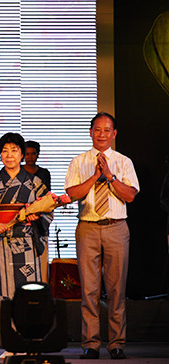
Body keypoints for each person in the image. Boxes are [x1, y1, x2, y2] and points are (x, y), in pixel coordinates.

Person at [65, 112, 139, 360]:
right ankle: (91, 344)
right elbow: (73, 194)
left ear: (114, 134)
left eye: (107, 130)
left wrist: (110, 176)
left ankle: (117, 343)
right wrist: (96, 176)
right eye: (97, 130)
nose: (102, 134)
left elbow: (129, 195)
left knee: (117, 289)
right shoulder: (79, 161)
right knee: (89, 290)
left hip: (116, 227)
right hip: (88, 226)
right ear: (90, 132)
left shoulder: (123, 161)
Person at [0, 132, 52, 357]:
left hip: (26, 243)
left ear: (22, 154)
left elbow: (47, 208)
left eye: (14, 151)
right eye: (5, 151)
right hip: (1, 243)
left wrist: (36, 218)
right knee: (3, 294)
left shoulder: (35, 183)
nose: (9, 155)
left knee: (28, 293)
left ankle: (30, 340)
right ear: (0, 155)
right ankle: (10, 344)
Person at [23, 140, 52, 283]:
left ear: (38, 155)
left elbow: (47, 197)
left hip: (40, 220)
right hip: (22, 220)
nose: (30, 157)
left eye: (33, 153)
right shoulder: (18, 172)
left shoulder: (44, 173)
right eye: (27, 154)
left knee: (41, 260)